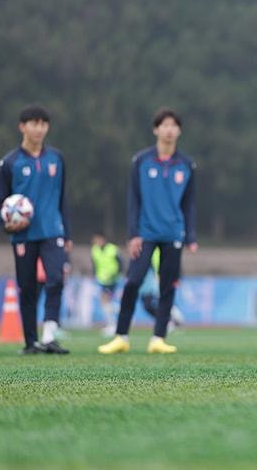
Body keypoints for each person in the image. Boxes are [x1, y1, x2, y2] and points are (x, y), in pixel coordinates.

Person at [99, 108, 197, 354]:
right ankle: (121, 335)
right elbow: (133, 200)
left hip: (173, 233)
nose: (169, 130)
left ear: (179, 131)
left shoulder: (187, 165)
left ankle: (158, 338)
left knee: (167, 286)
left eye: (174, 125)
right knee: (133, 282)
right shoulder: (141, 161)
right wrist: (133, 234)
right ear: (156, 129)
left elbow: (189, 204)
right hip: (145, 233)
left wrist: (191, 236)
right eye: (164, 125)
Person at [0, 105, 72, 354]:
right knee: (27, 287)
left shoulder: (56, 158)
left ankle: (49, 335)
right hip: (23, 236)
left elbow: (62, 198)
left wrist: (66, 232)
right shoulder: (9, 162)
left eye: (43, 124)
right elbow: (0, 203)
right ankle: (31, 342)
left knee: (56, 279)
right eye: (33, 123)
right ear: (22, 127)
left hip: (53, 231)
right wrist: (7, 224)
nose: (39, 129)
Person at [91, 232, 123, 337]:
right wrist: (95, 275)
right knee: (106, 302)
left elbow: (120, 263)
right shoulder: (94, 250)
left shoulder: (112, 249)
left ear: (103, 239)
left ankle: (113, 324)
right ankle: (114, 321)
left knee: (105, 301)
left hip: (113, 280)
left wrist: (116, 274)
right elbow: (95, 264)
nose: (96, 241)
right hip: (102, 280)